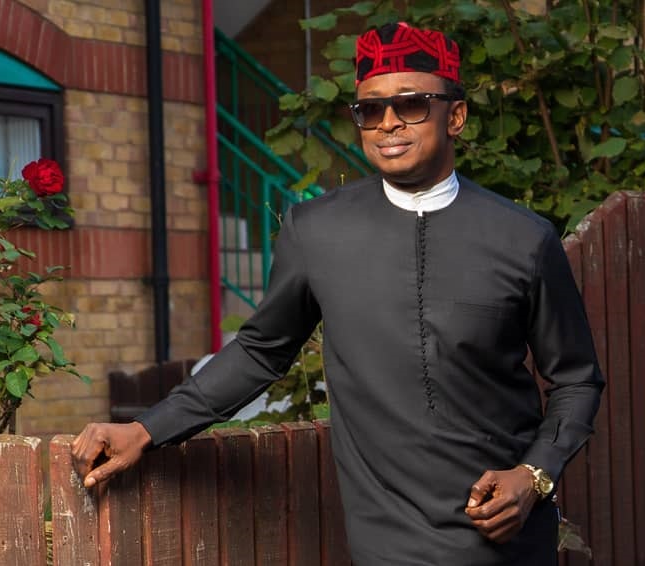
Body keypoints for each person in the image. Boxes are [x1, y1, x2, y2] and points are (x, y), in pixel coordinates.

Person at [72, 21, 605, 565]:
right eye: (370, 110)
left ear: (456, 116)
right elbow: (260, 350)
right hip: (390, 541)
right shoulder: (316, 231)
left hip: (509, 536)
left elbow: (577, 378)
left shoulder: (524, 237)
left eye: (412, 104)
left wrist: (533, 475)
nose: (388, 122)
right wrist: (148, 428)